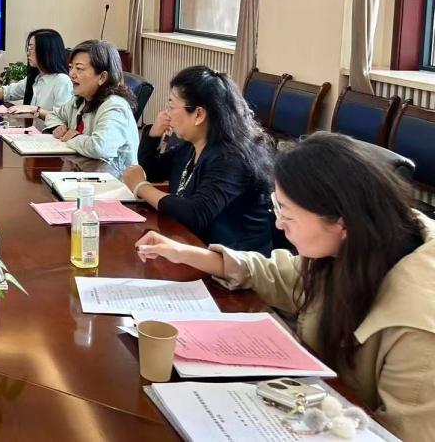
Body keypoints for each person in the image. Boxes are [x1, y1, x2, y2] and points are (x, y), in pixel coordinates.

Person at [135, 133, 435, 440]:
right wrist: (187, 253)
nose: (279, 225)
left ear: (341, 223)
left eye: (287, 214)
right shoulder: (361, 244)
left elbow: (404, 433)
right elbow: (281, 274)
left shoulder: (418, 327)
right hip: (316, 407)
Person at [122, 66, 274, 253]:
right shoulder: (192, 146)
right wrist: (153, 135)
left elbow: (196, 214)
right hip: (197, 247)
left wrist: (141, 187)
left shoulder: (232, 158)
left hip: (237, 261)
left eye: (171, 107)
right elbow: (152, 172)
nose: (166, 113)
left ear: (199, 114)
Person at [43, 40, 139, 177]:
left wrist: (73, 137)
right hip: (83, 174)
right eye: (71, 67)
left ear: (102, 77)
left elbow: (100, 147)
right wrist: (59, 126)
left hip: (112, 182)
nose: (71, 74)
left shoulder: (115, 106)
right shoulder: (81, 100)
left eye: (79, 68)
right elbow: (53, 115)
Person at [0, 29, 72, 117]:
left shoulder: (62, 81)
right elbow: (8, 92)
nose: (28, 53)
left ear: (46, 51)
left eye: (31, 48)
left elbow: (62, 119)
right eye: (28, 48)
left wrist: (34, 109)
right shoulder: (36, 78)